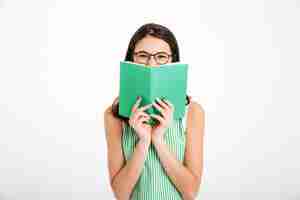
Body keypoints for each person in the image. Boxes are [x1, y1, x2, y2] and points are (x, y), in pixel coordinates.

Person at [104, 23, 205, 200]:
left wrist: (158, 140)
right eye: (143, 55)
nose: (151, 63)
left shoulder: (193, 112)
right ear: (131, 59)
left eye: (161, 56)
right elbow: (120, 193)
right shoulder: (114, 116)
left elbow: (191, 191)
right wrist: (143, 141)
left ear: (172, 60)